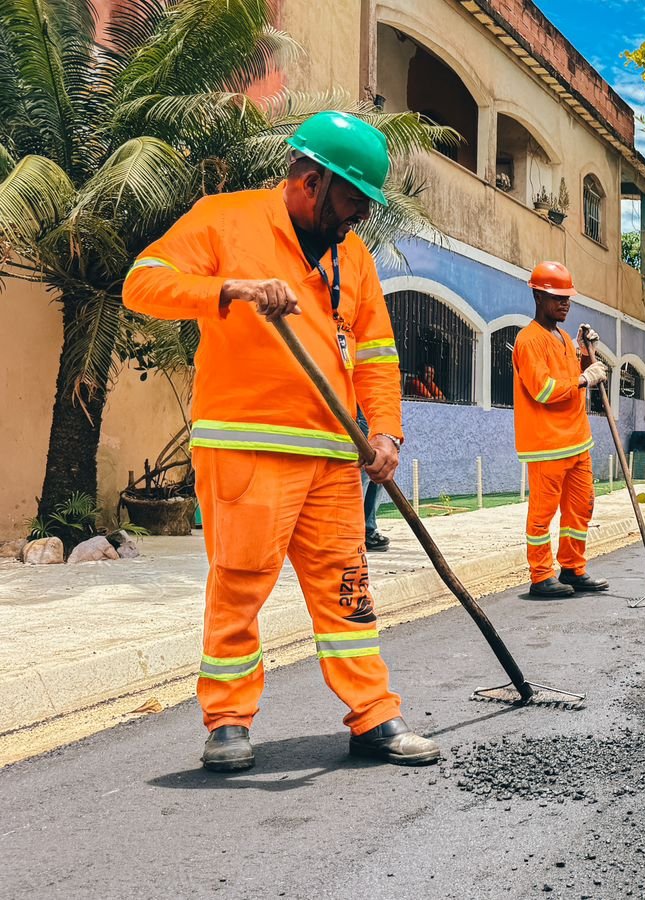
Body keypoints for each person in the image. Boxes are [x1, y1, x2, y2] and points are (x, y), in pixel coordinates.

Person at [123, 110, 437, 771]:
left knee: (348, 588)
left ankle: (374, 716)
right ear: (307, 178)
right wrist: (226, 290)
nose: (357, 215)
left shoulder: (354, 256)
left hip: (331, 453)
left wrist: (386, 433)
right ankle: (229, 722)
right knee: (238, 585)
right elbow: (143, 283)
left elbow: (377, 353)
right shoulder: (224, 219)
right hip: (246, 446)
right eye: (352, 199)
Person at [514, 261, 610, 598]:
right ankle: (541, 576)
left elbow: (575, 374)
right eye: (558, 298)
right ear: (538, 297)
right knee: (542, 515)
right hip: (546, 444)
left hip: (577, 440)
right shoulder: (528, 341)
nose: (565, 304)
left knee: (581, 508)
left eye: (567, 298)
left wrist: (586, 354)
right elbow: (544, 390)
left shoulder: (564, 339)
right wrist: (585, 378)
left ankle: (572, 568)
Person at [357, 409, 388, 551]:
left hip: (377, 417)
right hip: (361, 415)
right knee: (362, 478)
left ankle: (368, 531)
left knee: (377, 476)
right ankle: (356, 532)